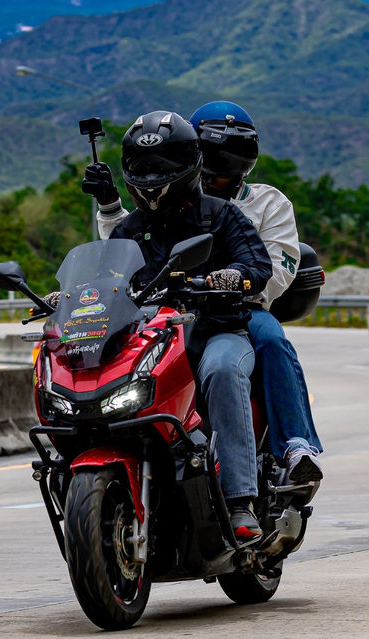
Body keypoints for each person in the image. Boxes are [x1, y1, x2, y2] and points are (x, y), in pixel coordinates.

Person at [85, 101, 323, 489]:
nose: (218, 180)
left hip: (239, 310)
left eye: (229, 170)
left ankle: (296, 446)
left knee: (271, 338)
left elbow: (276, 268)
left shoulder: (266, 203)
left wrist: (227, 283)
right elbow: (122, 255)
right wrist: (109, 204)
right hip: (165, 314)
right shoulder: (165, 206)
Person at [83, 110, 273, 538]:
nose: (152, 175)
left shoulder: (220, 215)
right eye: (143, 166)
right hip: (154, 338)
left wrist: (227, 277)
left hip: (218, 332)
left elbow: (258, 265)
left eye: (163, 165)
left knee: (223, 371)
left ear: (189, 163)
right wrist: (73, 299)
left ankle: (240, 501)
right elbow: (108, 280)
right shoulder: (130, 228)